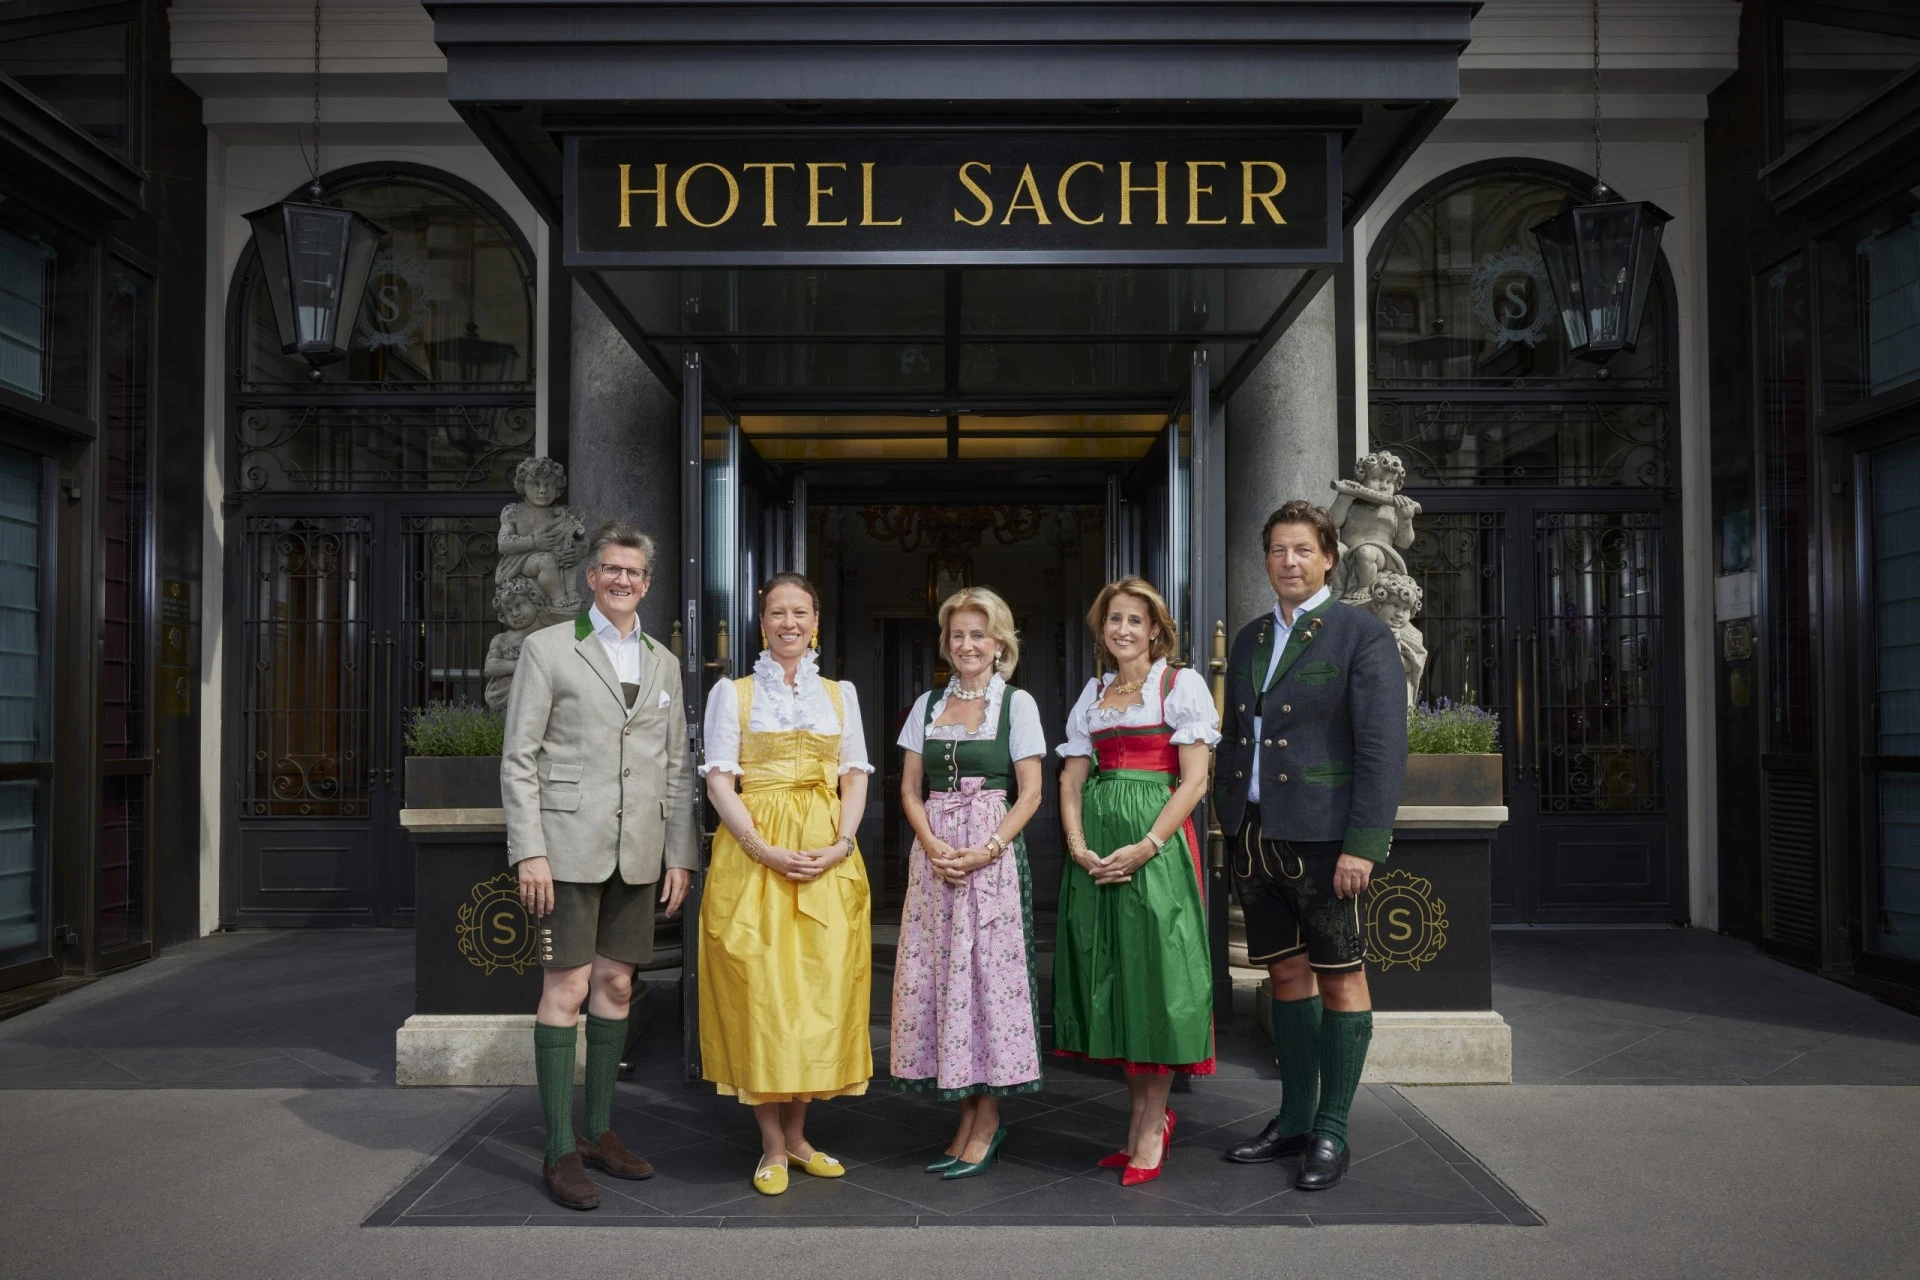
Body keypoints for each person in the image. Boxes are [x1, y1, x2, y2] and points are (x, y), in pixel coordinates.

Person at [501, 520, 697, 1212]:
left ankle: (597, 1131)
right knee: (568, 990)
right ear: (592, 576)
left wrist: (681, 854)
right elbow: (519, 758)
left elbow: (676, 769)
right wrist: (529, 849)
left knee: (616, 987)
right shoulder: (547, 649)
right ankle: (557, 1149)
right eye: (611, 569)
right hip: (567, 851)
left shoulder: (663, 662)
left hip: (639, 851)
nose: (622, 581)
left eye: (634, 573)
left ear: (648, 582)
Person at [1214, 499, 1409, 1191]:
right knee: (1284, 976)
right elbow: (1238, 736)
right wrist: (1225, 817)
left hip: (1330, 842)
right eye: (1277, 551)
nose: (1289, 562)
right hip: (1256, 835)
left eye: (1302, 550)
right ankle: (1294, 1117)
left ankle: (1331, 1130)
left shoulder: (1360, 634)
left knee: (1341, 977)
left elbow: (1384, 747)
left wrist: (1365, 844)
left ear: (1328, 555)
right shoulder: (1249, 639)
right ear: (1265, 559)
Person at [698, 572, 874, 1196]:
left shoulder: (840, 694)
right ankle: (772, 1145)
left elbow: (854, 775)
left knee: (814, 997)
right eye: (778, 613)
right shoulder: (734, 694)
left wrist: (842, 843)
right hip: (755, 853)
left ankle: (799, 1137)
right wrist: (761, 846)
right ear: (762, 621)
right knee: (762, 995)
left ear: (816, 619)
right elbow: (720, 780)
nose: (789, 623)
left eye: (801, 612)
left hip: (826, 852)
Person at [1054, 577, 1220, 1188]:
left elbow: (1194, 782)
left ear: (1156, 630)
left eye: (1134, 620)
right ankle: (1142, 1118)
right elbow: (1072, 780)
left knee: (1157, 980)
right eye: (1113, 620)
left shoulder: (1180, 686)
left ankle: (1152, 1128)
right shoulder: (1094, 694)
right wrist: (1078, 847)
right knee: (1119, 983)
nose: (1123, 629)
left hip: (1155, 852)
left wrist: (1147, 845)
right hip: (1097, 855)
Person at [892, 588, 1047, 1181]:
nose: (967, 645)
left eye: (978, 634)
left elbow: (1030, 792)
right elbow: (908, 788)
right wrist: (932, 845)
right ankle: (964, 1115)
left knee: (985, 982)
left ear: (1000, 641)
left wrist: (986, 848)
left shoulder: (1017, 703)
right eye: (957, 635)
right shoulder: (926, 704)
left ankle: (987, 1122)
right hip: (934, 859)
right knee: (942, 979)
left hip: (992, 856)